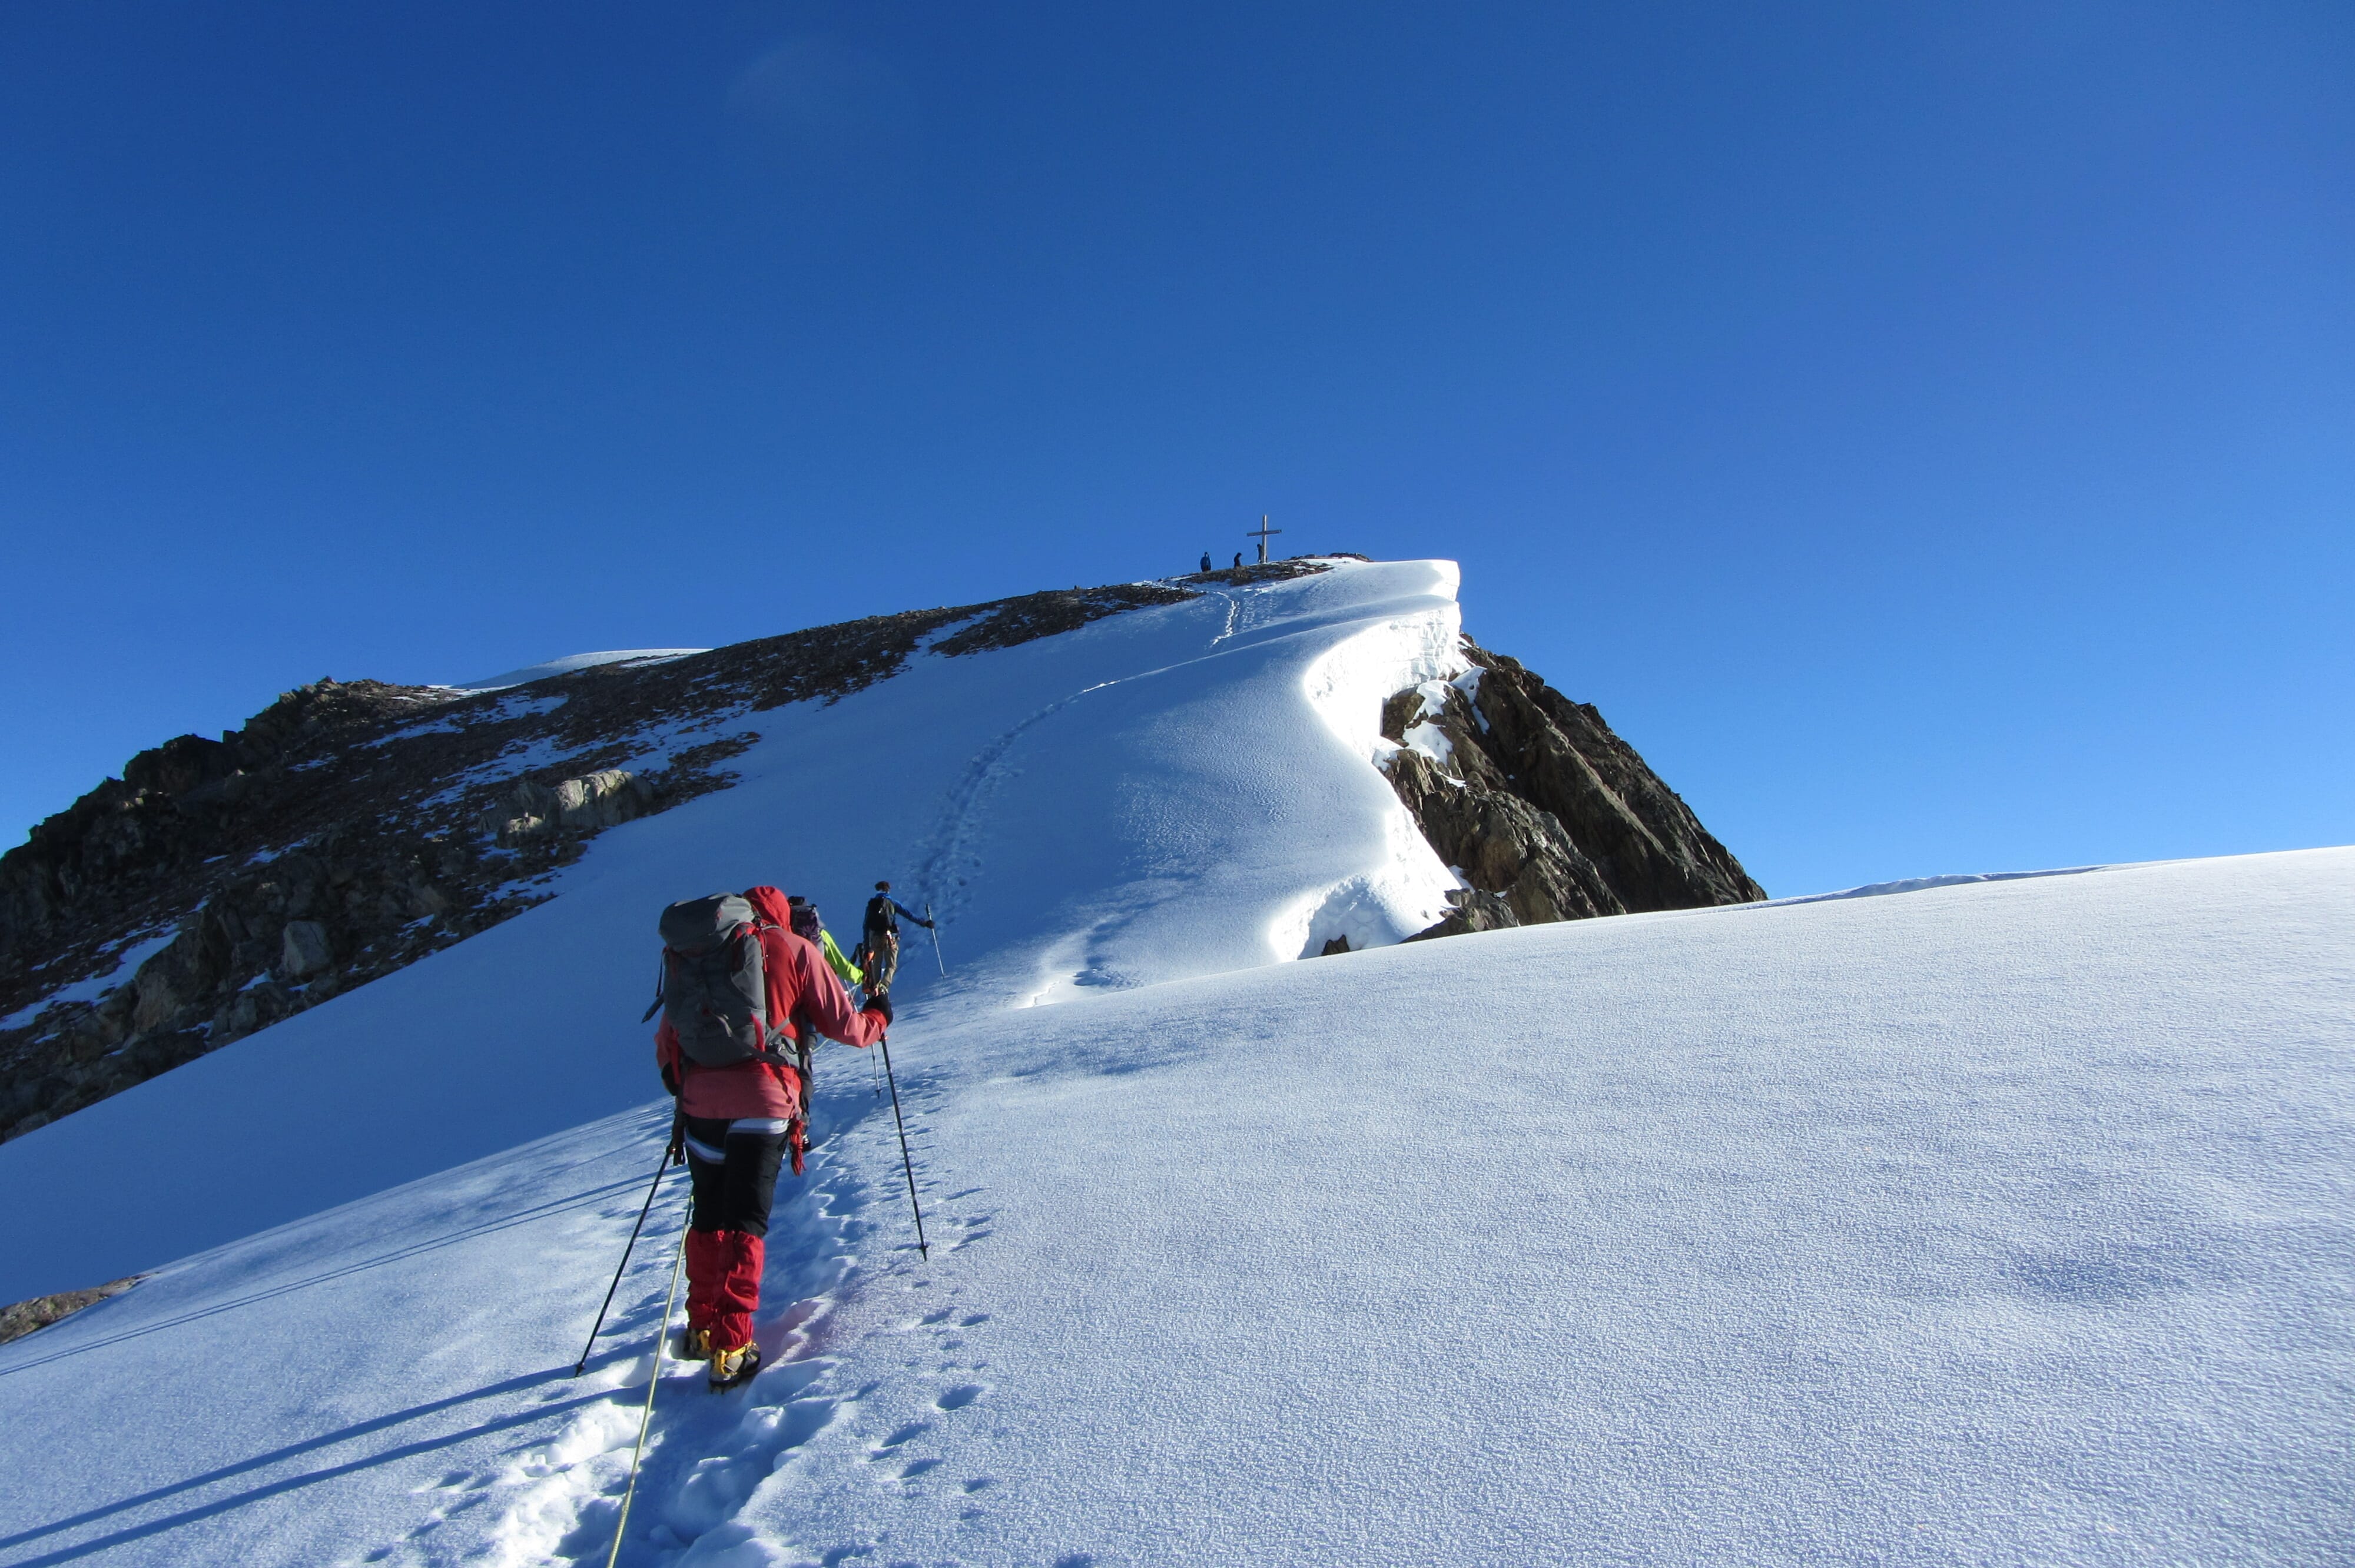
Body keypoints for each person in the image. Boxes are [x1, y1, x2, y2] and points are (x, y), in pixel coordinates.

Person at [655, 884, 890, 1390]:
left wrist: (691, 1090)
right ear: (782, 915)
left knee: (710, 1215)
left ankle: (702, 1328)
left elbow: (667, 1043)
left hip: (700, 1105)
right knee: (746, 1221)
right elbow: (846, 1026)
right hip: (765, 1101)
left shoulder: (694, 956)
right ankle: (734, 1345)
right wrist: (880, 1016)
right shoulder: (792, 948)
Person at [860, 879, 933, 995]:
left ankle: (874, 989)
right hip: (889, 937)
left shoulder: (871, 904)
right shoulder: (892, 902)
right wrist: (924, 923)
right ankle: (884, 987)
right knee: (891, 965)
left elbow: (866, 925)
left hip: (875, 938)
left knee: (876, 965)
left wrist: (867, 946)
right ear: (888, 890)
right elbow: (909, 915)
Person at [787, 893, 863, 988]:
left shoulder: (784, 934)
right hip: (815, 987)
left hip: (790, 987)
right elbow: (841, 964)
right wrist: (860, 977)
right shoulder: (821, 935)